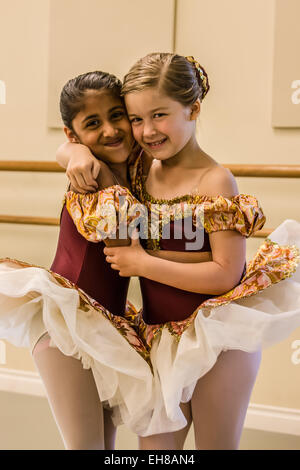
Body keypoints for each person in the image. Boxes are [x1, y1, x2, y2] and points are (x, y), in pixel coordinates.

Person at [65, 53, 300, 449]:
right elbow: (71, 145)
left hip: (219, 340)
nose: (146, 131)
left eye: (159, 115)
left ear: (193, 108)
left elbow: (226, 273)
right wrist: (75, 154)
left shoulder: (216, 181)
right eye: (137, 119)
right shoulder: (141, 168)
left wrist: (143, 262)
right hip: (161, 340)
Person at [0, 70, 156, 449]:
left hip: (105, 326)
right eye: (92, 123)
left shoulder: (137, 166)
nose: (110, 130)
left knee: (104, 446)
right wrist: (74, 153)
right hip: (66, 332)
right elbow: (125, 241)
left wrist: (72, 149)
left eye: (117, 115)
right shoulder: (91, 174)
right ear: (72, 133)